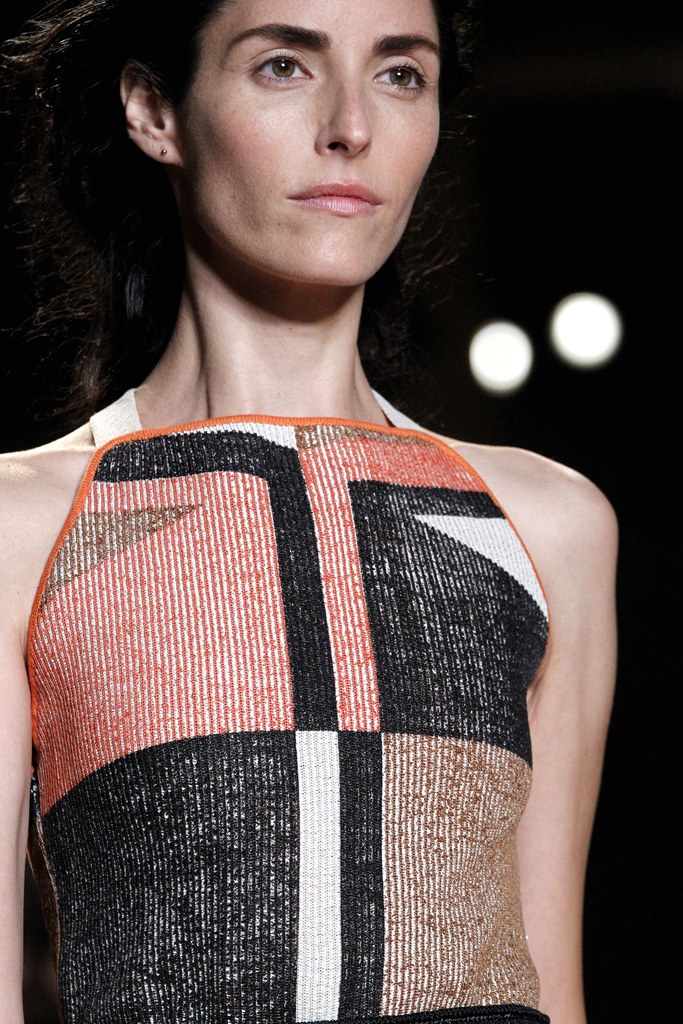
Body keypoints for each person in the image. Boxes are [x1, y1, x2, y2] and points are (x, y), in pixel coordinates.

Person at [0, 1, 618, 1023]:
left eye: (400, 74)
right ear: (153, 109)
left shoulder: (545, 526)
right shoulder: (25, 530)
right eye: (283, 65)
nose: (352, 127)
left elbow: (548, 985)